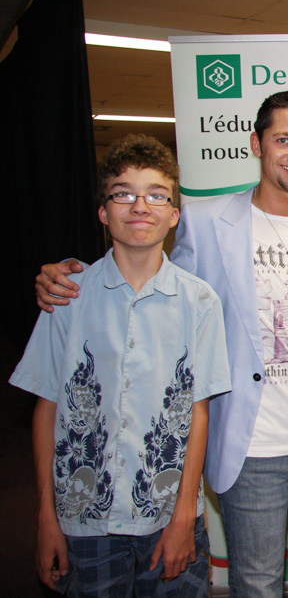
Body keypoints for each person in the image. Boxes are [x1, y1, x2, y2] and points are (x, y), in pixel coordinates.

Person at [34, 91, 288, 598]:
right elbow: (154, 285)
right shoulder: (205, 219)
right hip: (253, 444)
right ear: (258, 143)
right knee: (257, 584)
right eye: (283, 139)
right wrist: (67, 276)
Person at [11, 135, 232, 596]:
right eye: (123, 193)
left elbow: (197, 414)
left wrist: (182, 521)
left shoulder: (199, 302)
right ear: (102, 210)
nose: (139, 206)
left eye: (156, 195)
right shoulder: (67, 296)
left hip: (166, 515)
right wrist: (46, 518)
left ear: (173, 215)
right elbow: (47, 407)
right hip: (84, 518)